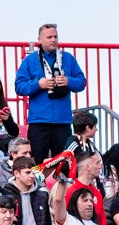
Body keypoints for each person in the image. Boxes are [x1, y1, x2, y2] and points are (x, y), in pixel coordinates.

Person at [13, 23, 87, 162]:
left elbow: (82, 82)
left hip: (63, 120)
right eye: (49, 37)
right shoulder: (30, 60)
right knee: (36, 162)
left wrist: (68, 81)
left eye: (55, 36)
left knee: (64, 163)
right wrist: (38, 84)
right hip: (39, 121)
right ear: (39, 39)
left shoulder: (68, 58)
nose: (53, 40)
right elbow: (19, 87)